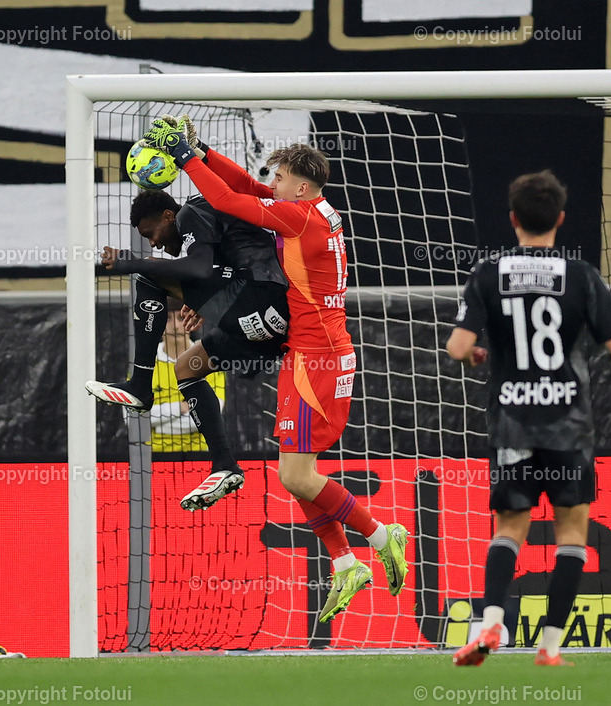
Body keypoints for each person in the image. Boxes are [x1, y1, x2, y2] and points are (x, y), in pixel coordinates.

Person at [143, 118, 408, 622]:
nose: (272, 184)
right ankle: (345, 562)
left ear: (300, 187)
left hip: (318, 359)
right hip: (306, 353)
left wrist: (183, 157)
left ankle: (379, 535)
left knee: (294, 473)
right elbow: (245, 186)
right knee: (296, 474)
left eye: (280, 178)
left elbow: (228, 200)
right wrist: (202, 150)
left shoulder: (300, 218)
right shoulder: (313, 210)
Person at [445, 170, 611, 666]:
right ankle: (551, 647)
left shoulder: (488, 273)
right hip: (567, 426)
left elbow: (456, 346)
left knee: (508, 529)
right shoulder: (581, 275)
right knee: (571, 536)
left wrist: (474, 352)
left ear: (512, 219)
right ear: (560, 219)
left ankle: (491, 623)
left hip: (512, 425)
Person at [86, 189, 289, 511]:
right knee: (187, 367)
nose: (153, 242)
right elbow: (213, 269)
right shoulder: (210, 223)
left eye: (151, 233)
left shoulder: (190, 211)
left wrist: (131, 261)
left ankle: (140, 386)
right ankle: (225, 465)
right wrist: (204, 301)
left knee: (149, 272)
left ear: (169, 216)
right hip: (268, 329)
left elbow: (198, 269)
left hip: (259, 298)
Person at [149, 299, 226, 453]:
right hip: (153, 456)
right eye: (167, 319)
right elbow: (132, 418)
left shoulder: (208, 358)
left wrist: (158, 423)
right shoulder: (146, 361)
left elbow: (211, 416)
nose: (175, 326)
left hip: (199, 455)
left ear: (192, 321)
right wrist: (179, 408)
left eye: (181, 318)